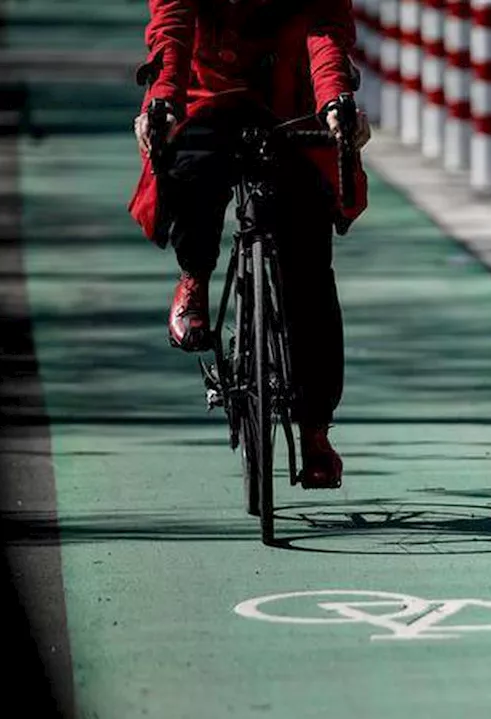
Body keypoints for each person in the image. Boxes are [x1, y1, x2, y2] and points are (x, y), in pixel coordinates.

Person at [128, 0, 371, 488]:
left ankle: (315, 432)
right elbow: (173, 23)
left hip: (293, 98)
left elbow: (326, 25)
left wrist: (335, 101)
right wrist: (164, 97)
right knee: (190, 170)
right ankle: (194, 278)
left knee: (309, 267)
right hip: (209, 92)